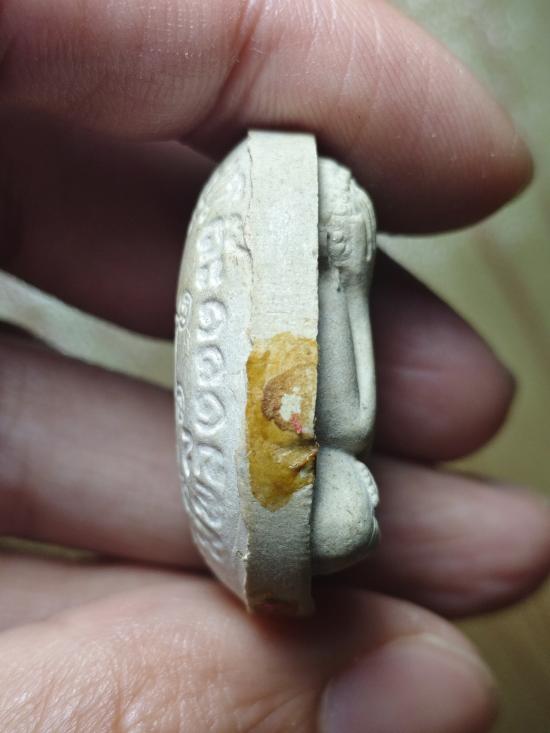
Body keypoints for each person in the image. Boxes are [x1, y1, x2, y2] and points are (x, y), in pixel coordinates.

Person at [0, 1, 548, 731]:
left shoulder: (331, 423)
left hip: (281, 304)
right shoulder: (330, 432)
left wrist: (341, 275)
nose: (368, 510)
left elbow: (346, 402)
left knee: (347, 506)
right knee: (345, 515)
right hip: (267, 408)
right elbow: (346, 410)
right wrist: (340, 281)